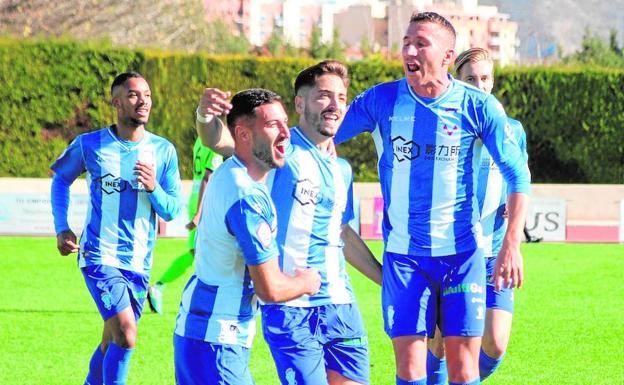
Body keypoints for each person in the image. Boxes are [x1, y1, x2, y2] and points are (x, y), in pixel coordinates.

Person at [334, 12, 531, 385]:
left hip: (464, 255)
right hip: (406, 258)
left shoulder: (478, 106)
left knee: (463, 368)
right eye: (406, 41)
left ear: (446, 55)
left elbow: (518, 175)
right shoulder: (381, 100)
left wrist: (511, 243)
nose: (409, 49)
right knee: (410, 370)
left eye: (420, 43)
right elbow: (322, 133)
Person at [195, 60, 382, 385]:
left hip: (342, 305)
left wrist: (385, 280)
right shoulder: (279, 149)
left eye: (341, 97)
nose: (335, 105)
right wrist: (205, 116)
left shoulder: (342, 170)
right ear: (300, 103)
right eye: (324, 95)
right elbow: (221, 140)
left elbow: (342, 234)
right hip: (293, 309)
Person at [173, 88, 322, 385]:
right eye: (272, 125)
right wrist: (308, 282)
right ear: (243, 135)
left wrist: (204, 115)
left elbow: (212, 136)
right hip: (218, 341)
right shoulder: (248, 199)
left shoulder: (236, 168)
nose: (285, 133)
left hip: (199, 333)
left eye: (285, 122)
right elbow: (270, 289)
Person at [51, 71, 182, 385]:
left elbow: (172, 209)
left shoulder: (163, 151)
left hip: (138, 262)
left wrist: (153, 188)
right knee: (126, 333)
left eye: (147, 95)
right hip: (99, 256)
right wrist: (62, 227)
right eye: (134, 95)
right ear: (116, 102)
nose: (143, 101)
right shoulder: (90, 144)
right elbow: (61, 180)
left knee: (113, 338)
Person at [426, 47, 530, 384]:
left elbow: (519, 179)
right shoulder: (444, 125)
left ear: (493, 82)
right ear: (457, 80)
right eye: (471, 78)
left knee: (496, 343)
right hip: (451, 251)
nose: (479, 85)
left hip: (493, 252)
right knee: (440, 344)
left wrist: (511, 219)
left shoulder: (512, 129)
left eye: (485, 78)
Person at [147, 137, 223, 314]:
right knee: (203, 253)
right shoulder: (216, 140)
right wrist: (199, 212)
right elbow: (207, 177)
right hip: (205, 201)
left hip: (196, 198)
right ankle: (162, 287)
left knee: (197, 252)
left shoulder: (200, 139)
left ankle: (161, 287)